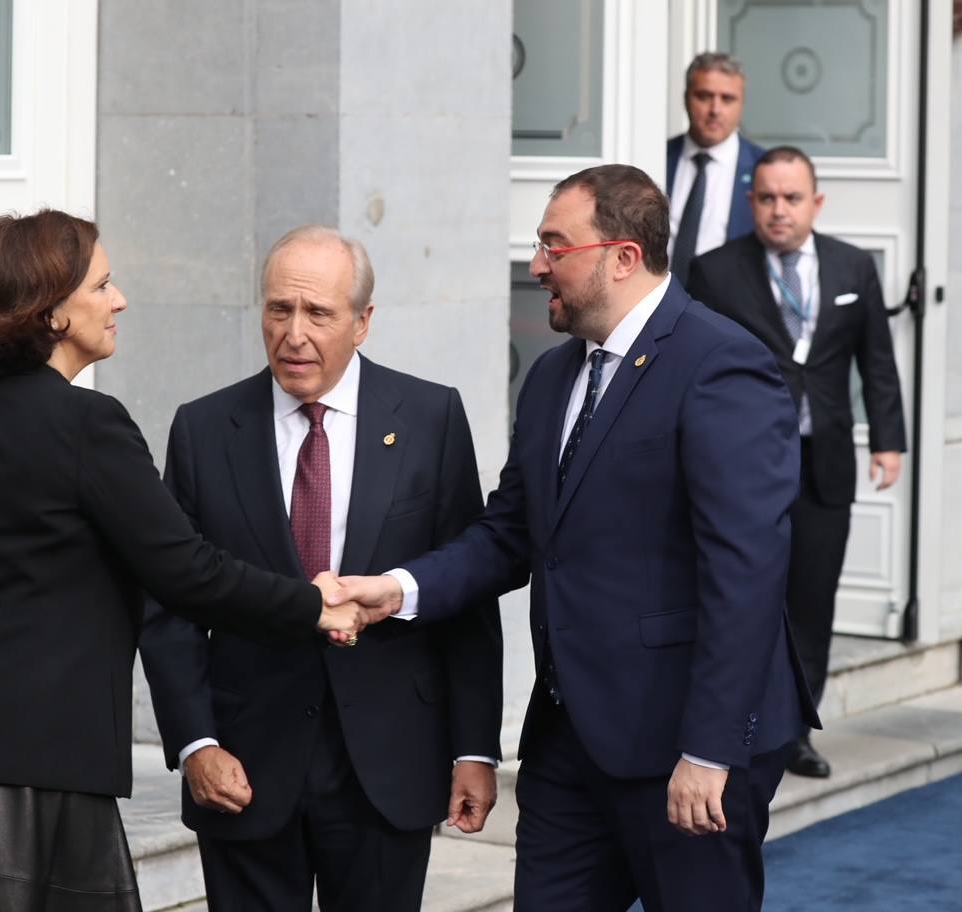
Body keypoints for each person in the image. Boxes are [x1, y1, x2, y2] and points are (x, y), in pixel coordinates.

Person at [332, 165, 818, 912]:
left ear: (621, 257)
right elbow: (511, 534)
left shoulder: (721, 365)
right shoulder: (556, 376)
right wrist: (399, 590)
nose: (535, 266)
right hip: (568, 739)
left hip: (687, 745)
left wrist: (710, 749)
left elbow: (746, 572)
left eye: (554, 246)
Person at [0, 210, 364, 912]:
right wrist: (314, 605)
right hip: (41, 768)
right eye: (101, 285)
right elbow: (189, 571)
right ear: (52, 313)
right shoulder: (89, 426)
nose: (119, 299)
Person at [137, 225, 504, 912]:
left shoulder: (431, 417)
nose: (293, 333)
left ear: (363, 322)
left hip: (387, 764)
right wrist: (195, 742)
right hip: (245, 762)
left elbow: (466, 592)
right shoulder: (204, 429)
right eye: (279, 309)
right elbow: (170, 604)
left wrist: (474, 749)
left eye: (318, 313)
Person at [687, 146, 907, 779]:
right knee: (746, 596)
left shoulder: (853, 266)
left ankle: (794, 736)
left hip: (826, 463)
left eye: (791, 198)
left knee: (812, 602)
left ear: (816, 202)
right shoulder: (714, 272)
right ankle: (736, 724)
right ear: (750, 202)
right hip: (742, 471)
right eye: (766, 198)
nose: (779, 211)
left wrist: (888, 441)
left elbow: (878, 362)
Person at [666, 52, 764, 286]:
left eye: (727, 99)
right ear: (686, 98)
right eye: (704, 96)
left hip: (729, 309)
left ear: (741, 104)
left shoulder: (763, 168)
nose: (715, 110)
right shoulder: (656, 157)